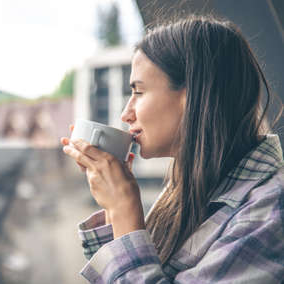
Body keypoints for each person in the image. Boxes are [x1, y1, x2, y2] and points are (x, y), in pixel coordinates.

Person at [61, 15, 283, 283]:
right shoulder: (191, 184)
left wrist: (124, 207)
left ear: (192, 96)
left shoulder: (270, 213)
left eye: (139, 92)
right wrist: (113, 205)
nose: (125, 114)